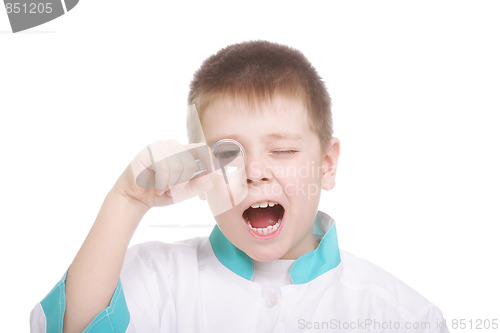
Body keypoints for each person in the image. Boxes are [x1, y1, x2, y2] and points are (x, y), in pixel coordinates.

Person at [30, 40, 448, 333]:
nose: (255, 172)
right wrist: (127, 199)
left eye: (282, 151)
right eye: (228, 154)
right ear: (198, 168)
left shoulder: (402, 315)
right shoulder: (158, 279)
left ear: (326, 165)